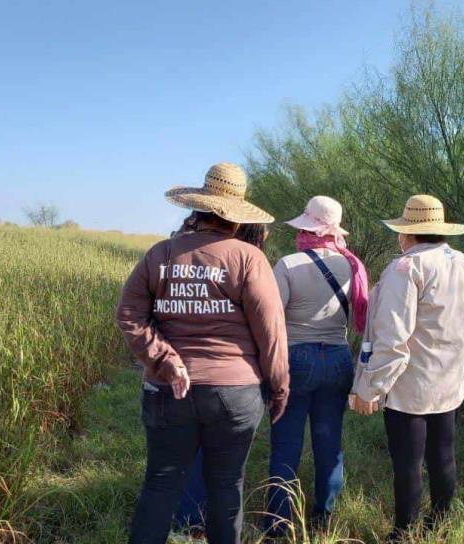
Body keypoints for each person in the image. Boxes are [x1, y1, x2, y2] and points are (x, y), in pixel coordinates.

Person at [115, 162, 290, 544]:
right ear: (237, 215)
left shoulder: (160, 254)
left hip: (167, 391)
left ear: (198, 207)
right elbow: (271, 332)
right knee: (227, 487)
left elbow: (128, 314)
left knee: (160, 484)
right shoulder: (248, 258)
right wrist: (279, 388)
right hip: (235, 393)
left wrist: (164, 359)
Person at [350, 194, 464, 542]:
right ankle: (439, 523)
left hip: (409, 384)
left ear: (407, 233)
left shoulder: (406, 268)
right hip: (449, 381)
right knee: (443, 455)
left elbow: (392, 338)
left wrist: (370, 388)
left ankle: (404, 531)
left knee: (408, 462)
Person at [263, 196, 369, 536]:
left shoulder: (288, 264)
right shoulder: (351, 265)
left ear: (307, 228)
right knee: (329, 442)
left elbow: (273, 319)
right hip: (338, 357)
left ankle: (279, 525)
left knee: (286, 444)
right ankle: (324, 520)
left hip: (297, 358)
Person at [172, 221, 271, 535]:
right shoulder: (249, 263)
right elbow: (265, 331)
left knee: (189, 454)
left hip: (182, 373)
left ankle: (188, 523)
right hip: (234, 380)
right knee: (227, 470)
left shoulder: (179, 255)